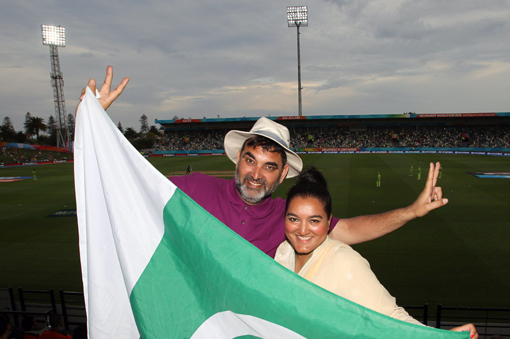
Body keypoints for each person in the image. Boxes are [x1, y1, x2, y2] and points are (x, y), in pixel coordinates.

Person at [79, 67, 449, 258]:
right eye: (250, 160)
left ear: (283, 173)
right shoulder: (192, 189)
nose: (255, 175)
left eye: (269, 166)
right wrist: (91, 123)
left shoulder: (286, 219)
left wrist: (410, 213)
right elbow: (120, 186)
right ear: (237, 159)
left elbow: (349, 231)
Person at [274, 167, 478, 339]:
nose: (302, 230)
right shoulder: (283, 252)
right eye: (293, 219)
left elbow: (390, 317)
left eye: (314, 221)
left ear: (329, 223)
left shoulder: (344, 262)